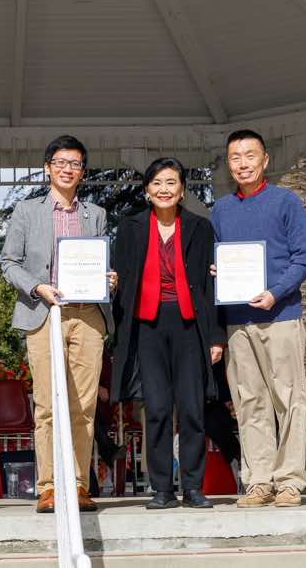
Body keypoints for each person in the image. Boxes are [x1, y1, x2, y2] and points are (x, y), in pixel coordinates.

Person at [0, 134, 116, 514]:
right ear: (48, 168)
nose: (68, 169)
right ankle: (48, 487)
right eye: (61, 162)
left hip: (88, 315)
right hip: (43, 313)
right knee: (48, 405)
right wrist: (37, 287)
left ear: (83, 171)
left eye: (75, 164)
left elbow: (99, 261)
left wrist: (108, 279)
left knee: (84, 406)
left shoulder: (95, 214)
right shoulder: (27, 211)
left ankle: (79, 484)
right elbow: (8, 262)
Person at [110, 157, 225, 509]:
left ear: (182, 190)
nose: (164, 189)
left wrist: (216, 337)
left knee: (192, 408)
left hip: (190, 324)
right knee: (157, 408)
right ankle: (161, 489)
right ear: (147, 190)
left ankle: (192, 487)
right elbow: (120, 280)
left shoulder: (200, 228)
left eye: (171, 182)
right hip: (146, 325)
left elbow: (209, 285)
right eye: (157, 183)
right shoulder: (129, 228)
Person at [211, 129, 306, 508]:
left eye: (249, 155)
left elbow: (303, 259)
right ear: (228, 164)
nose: (242, 164)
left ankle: (289, 481)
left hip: (280, 315)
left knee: (290, 399)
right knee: (249, 401)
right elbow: (217, 257)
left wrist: (275, 292)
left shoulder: (286, 201)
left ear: (265, 160)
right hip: (238, 321)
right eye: (235, 157)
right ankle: (258, 481)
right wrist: (216, 270)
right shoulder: (221, 210)